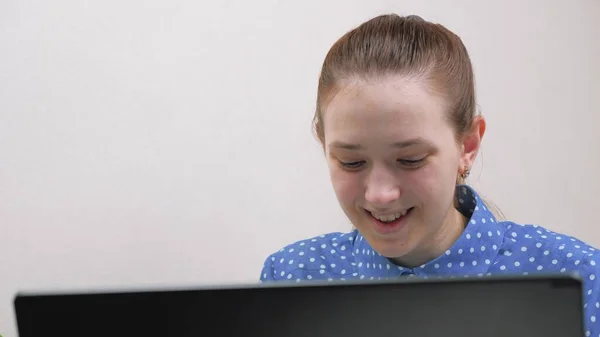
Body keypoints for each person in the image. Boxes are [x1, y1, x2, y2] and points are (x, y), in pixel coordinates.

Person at [259, 13, 600, 336]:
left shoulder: (578, 277)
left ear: (467, 145)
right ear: (323, 144)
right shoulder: (291, 277)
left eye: (410, 160)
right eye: (351, 162)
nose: (379, 194)